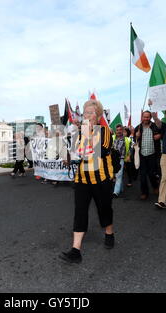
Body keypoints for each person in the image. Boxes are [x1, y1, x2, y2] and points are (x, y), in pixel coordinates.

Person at [60, 99, 115, 264]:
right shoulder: (77, 134)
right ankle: (76, 250)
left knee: (104, 209)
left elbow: (102, 151)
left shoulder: (104, 131)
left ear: (98, 117)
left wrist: (88, 132)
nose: (88, 116)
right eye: (86, 113)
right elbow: (74, 156)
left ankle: (109, 232)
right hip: (82, 179)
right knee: (80, 212)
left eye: (91, 113)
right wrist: (66, 156)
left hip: (101, 178)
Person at [133, 111, 161, 200]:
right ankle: (144, 192)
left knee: (152, 173)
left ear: (150, 118)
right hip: (142, 155)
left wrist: (159, 135)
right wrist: (136, 137)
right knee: (143, 175)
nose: (146, 119)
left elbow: (162, 132)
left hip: (152, 154)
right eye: (144, 117)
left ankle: (155, 186)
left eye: (147, 117)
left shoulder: (155, 126)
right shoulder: (138, 127)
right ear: (142, 117)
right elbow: (135, 140)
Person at [112, 124, 127, 198]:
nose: (118, 131)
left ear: (123, 130)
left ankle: (116, 192)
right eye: (117, 130)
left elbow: (130, 148)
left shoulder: (126, 139)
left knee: (119, 175)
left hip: (121, 159)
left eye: (120, 130)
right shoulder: (112, 138)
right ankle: (121, 188)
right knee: (115, 175)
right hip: (113, 159)